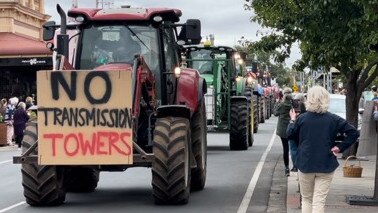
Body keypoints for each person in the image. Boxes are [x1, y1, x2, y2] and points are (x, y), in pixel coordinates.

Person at [287, 85, 359, 213]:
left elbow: (290, 134)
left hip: (305, 163)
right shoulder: (333, 119)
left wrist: (292, 120)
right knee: (319, 200)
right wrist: (340, 147)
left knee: (307, 199)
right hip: (326, 163)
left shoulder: (302, 119)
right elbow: (353, 133)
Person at [273, 87, 293, 176]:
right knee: (294, 147)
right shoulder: (294, 104)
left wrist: (277, 102)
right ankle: (296, 165)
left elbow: (275, 113)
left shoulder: (281, 104)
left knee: (285, 148)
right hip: (293, 128)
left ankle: (287, 168)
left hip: (283, 129)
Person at [289, 93, 306, 172]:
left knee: (293, 148)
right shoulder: (307, 108)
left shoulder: (293, 107)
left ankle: (295, 166)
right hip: (302, 130)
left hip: (294, 128)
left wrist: (293, 118)